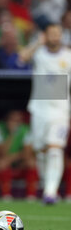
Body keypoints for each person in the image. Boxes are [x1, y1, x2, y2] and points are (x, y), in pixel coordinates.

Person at [19, 24, 71, 204]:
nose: (55, 37)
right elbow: (22, 57)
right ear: (45, 36)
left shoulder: (68, 56)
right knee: (40, 151)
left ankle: (50, 192)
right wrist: (37, 43)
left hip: (60, 110)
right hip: (39, 108)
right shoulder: (39, 54)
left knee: (55, 148)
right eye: (51, 34)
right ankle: (46, 184)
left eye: (58, 33)